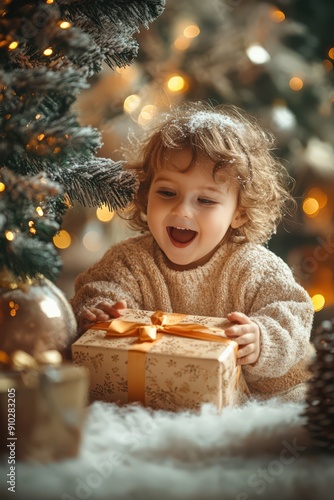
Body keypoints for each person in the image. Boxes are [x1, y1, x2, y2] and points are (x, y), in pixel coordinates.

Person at [71, 101, 314, 402]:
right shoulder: (130, 261)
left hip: (263, 392)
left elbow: (292, 313)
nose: (182, 210)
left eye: (206, 201)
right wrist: (100, 311)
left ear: (239, 212)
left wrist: (262, 338)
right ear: (146, 196)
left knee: (294, 409)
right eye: (167, 193)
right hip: (167, 388)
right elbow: (100, 287)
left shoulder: (255, 268)